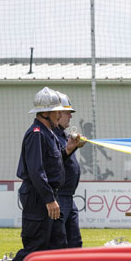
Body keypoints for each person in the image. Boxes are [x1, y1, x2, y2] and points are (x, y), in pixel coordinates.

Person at [2, 88, 81, 261]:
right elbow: (37, 171)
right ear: (46, 113)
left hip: (49, 196)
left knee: (58, 245)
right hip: (39, 198)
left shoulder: (49, 133)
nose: (61, 115)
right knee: (35, 247)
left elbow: (52, 164)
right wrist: (49, 199)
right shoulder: (36, 134)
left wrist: (68, 150)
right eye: (58, 111)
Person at [54, 93, 85, 248]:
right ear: (57, 114)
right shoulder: (52, 136)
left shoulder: (63, 136)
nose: (70, 117)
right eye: (67, 113)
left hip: (68, 196)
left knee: (75, 242)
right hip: (59, 196)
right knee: (60, 242)